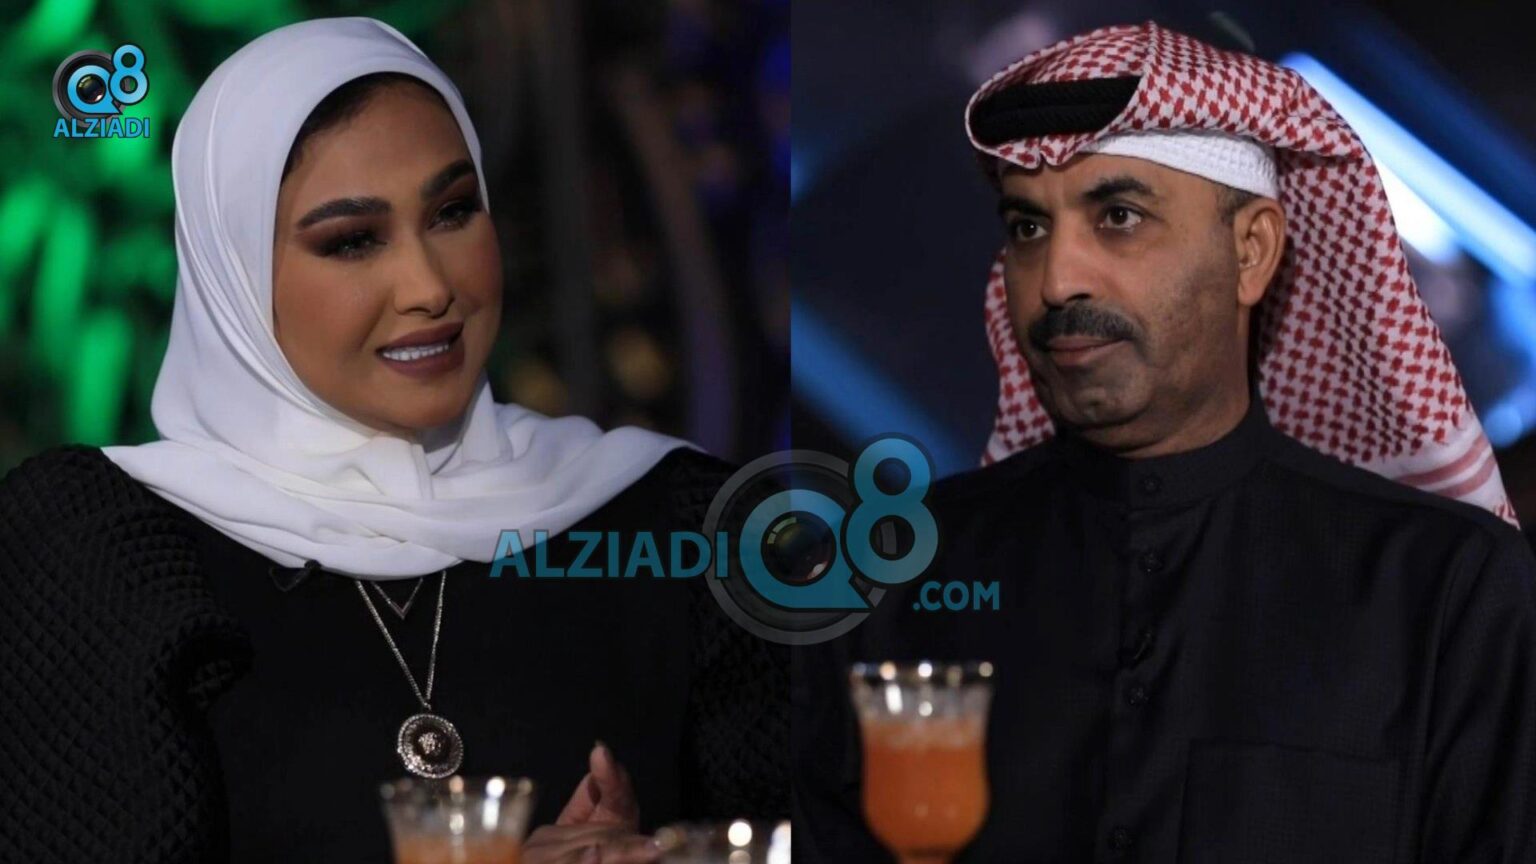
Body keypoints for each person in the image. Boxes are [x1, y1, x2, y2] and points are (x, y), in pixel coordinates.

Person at [0, 17, 787, 864]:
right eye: (352, 241)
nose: (428, 286)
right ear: (235, 277)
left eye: (453, 212)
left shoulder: (679, 524)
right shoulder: (104, 553)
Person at [793, 20, 1536, 863]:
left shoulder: (1444, 593)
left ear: (1251, 252)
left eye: (1119, 216)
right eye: (1029, 228)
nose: (1057, 279)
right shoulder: (886, 582)